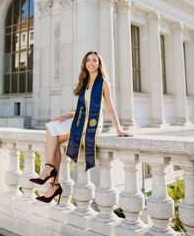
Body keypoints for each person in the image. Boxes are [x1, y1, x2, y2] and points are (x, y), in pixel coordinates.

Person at [30, 51, 133, 204]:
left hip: (92, 123)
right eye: (88, 60)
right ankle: (53, 181)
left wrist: (118, 129)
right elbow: (82, 107)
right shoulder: (85, 82)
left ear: (99, 64)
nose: (91, 63)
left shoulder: (103, 82)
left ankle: (50, 173)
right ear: (85, 63)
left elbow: (110, 107)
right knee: (52, 128)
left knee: (54, 137)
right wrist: (68, 115)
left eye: (95, 60)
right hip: (79, 119)